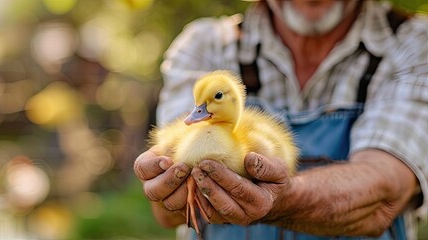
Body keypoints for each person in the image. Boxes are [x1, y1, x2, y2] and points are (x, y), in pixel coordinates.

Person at [133, 0, 428, 239]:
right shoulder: (205, 45)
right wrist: (163, 181)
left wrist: (281, 196)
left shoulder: (415, 44)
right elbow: (167, 206)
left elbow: (383, 191)